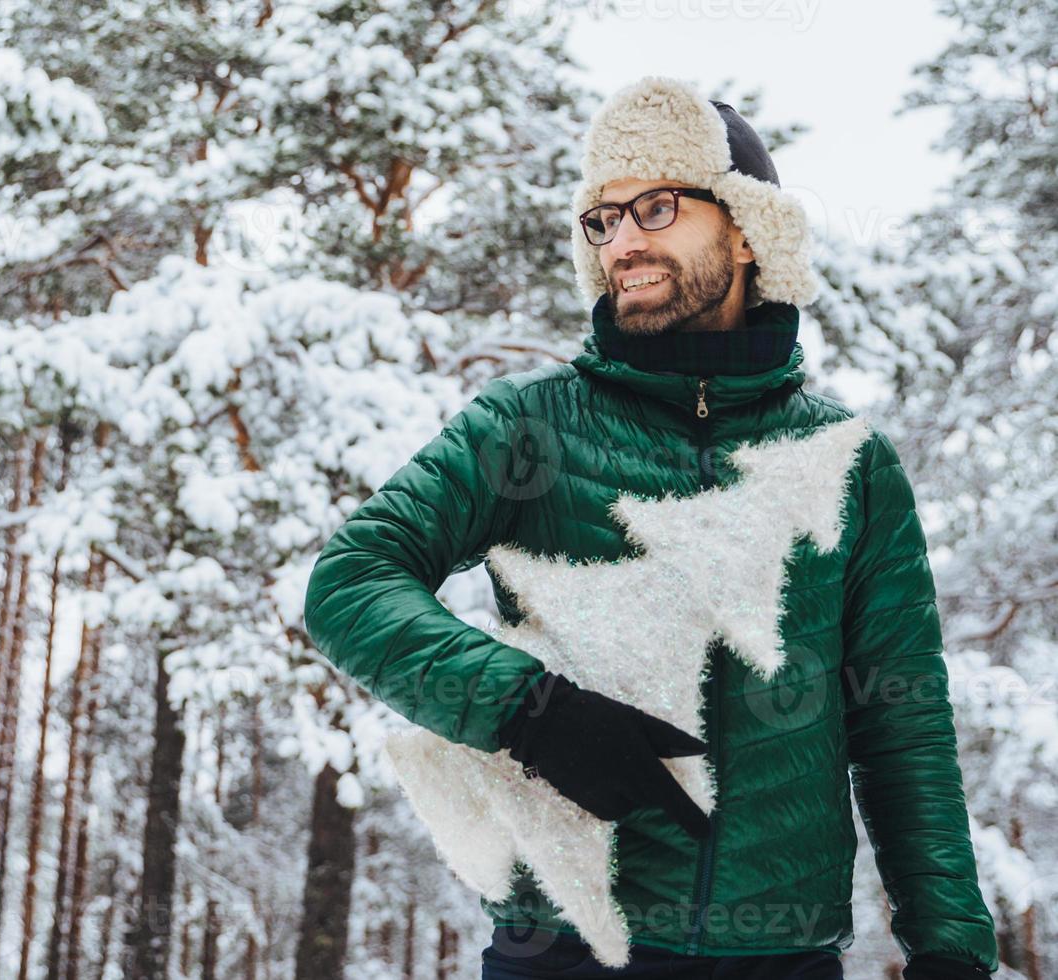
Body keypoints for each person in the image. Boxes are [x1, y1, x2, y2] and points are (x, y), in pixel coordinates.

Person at [301, 76, 999, 979]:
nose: (621, 240)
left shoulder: (849, 461)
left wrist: (950, 950)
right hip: (566, 945)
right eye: (603, 218)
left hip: (780, 956)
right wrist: (530, 712)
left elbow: (901, 724)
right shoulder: (529, 427)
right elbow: (350, 580)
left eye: (656, 207)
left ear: (747, 229)